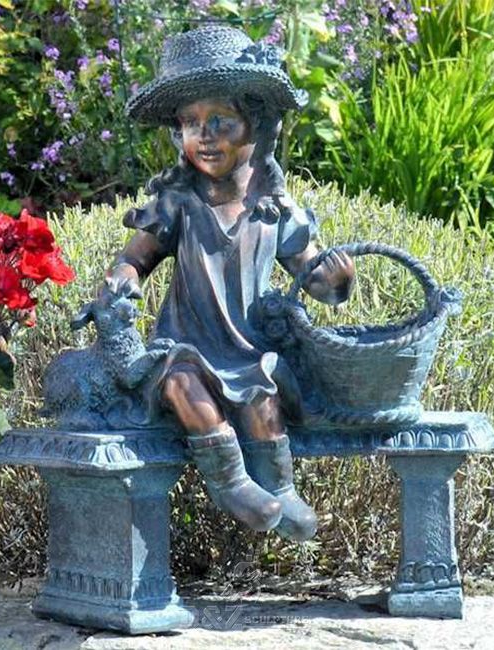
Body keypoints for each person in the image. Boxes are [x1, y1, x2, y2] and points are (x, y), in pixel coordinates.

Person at [105, 25, 355, 541]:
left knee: (262, 394)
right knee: (181, 382)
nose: (204, 135)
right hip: (183, 345)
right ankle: (233, 483)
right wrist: (120, 282)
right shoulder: (176, 203)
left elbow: (314, 277)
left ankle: (279, 486)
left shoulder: (275, 211)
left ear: (257, 128)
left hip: (245, 348)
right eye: (190, 124)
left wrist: (336, 279)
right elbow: (135, 259)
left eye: (220, 120)